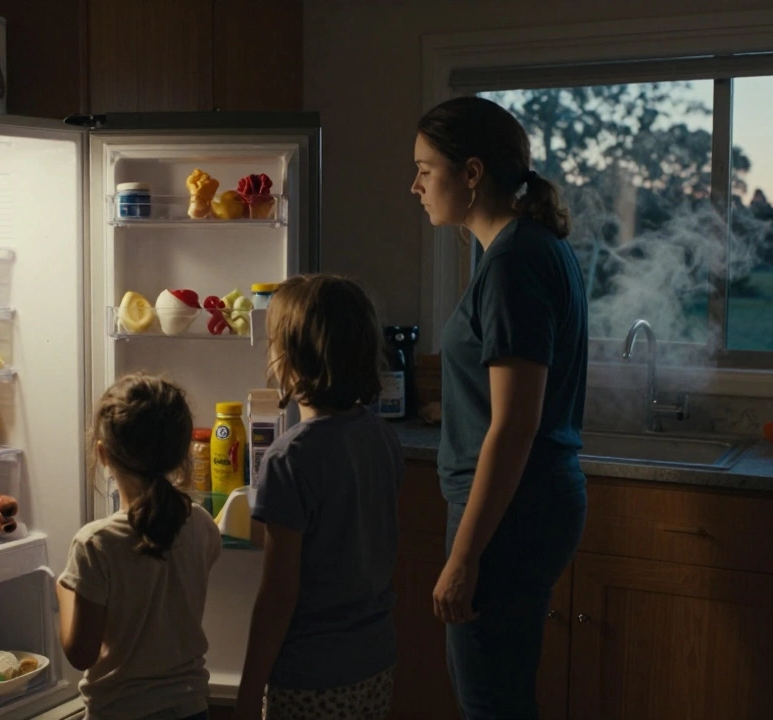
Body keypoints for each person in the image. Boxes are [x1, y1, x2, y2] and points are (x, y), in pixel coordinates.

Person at [412, 95, 590, 719]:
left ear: (472, 173)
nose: (416, 186)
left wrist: (465, 558)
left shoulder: (514, 260)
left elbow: (514, 426)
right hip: (521, 507)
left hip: (506, 517)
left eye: (426, 169)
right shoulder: (522, 248)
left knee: (492, 706)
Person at [233, 274, 405, 720]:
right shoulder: (381, 436)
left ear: (288, 360)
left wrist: (249, 693)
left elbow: (278, 597)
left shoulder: (290, 458)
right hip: (375, 657)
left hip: (312, 674)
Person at [58, 373, 222, 720]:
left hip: (120, 711)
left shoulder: (94, 544)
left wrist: (63, 590)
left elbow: (81, 654)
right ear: (180, 453)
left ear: (103, 455)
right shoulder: (203, 525)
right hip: (192, 708)